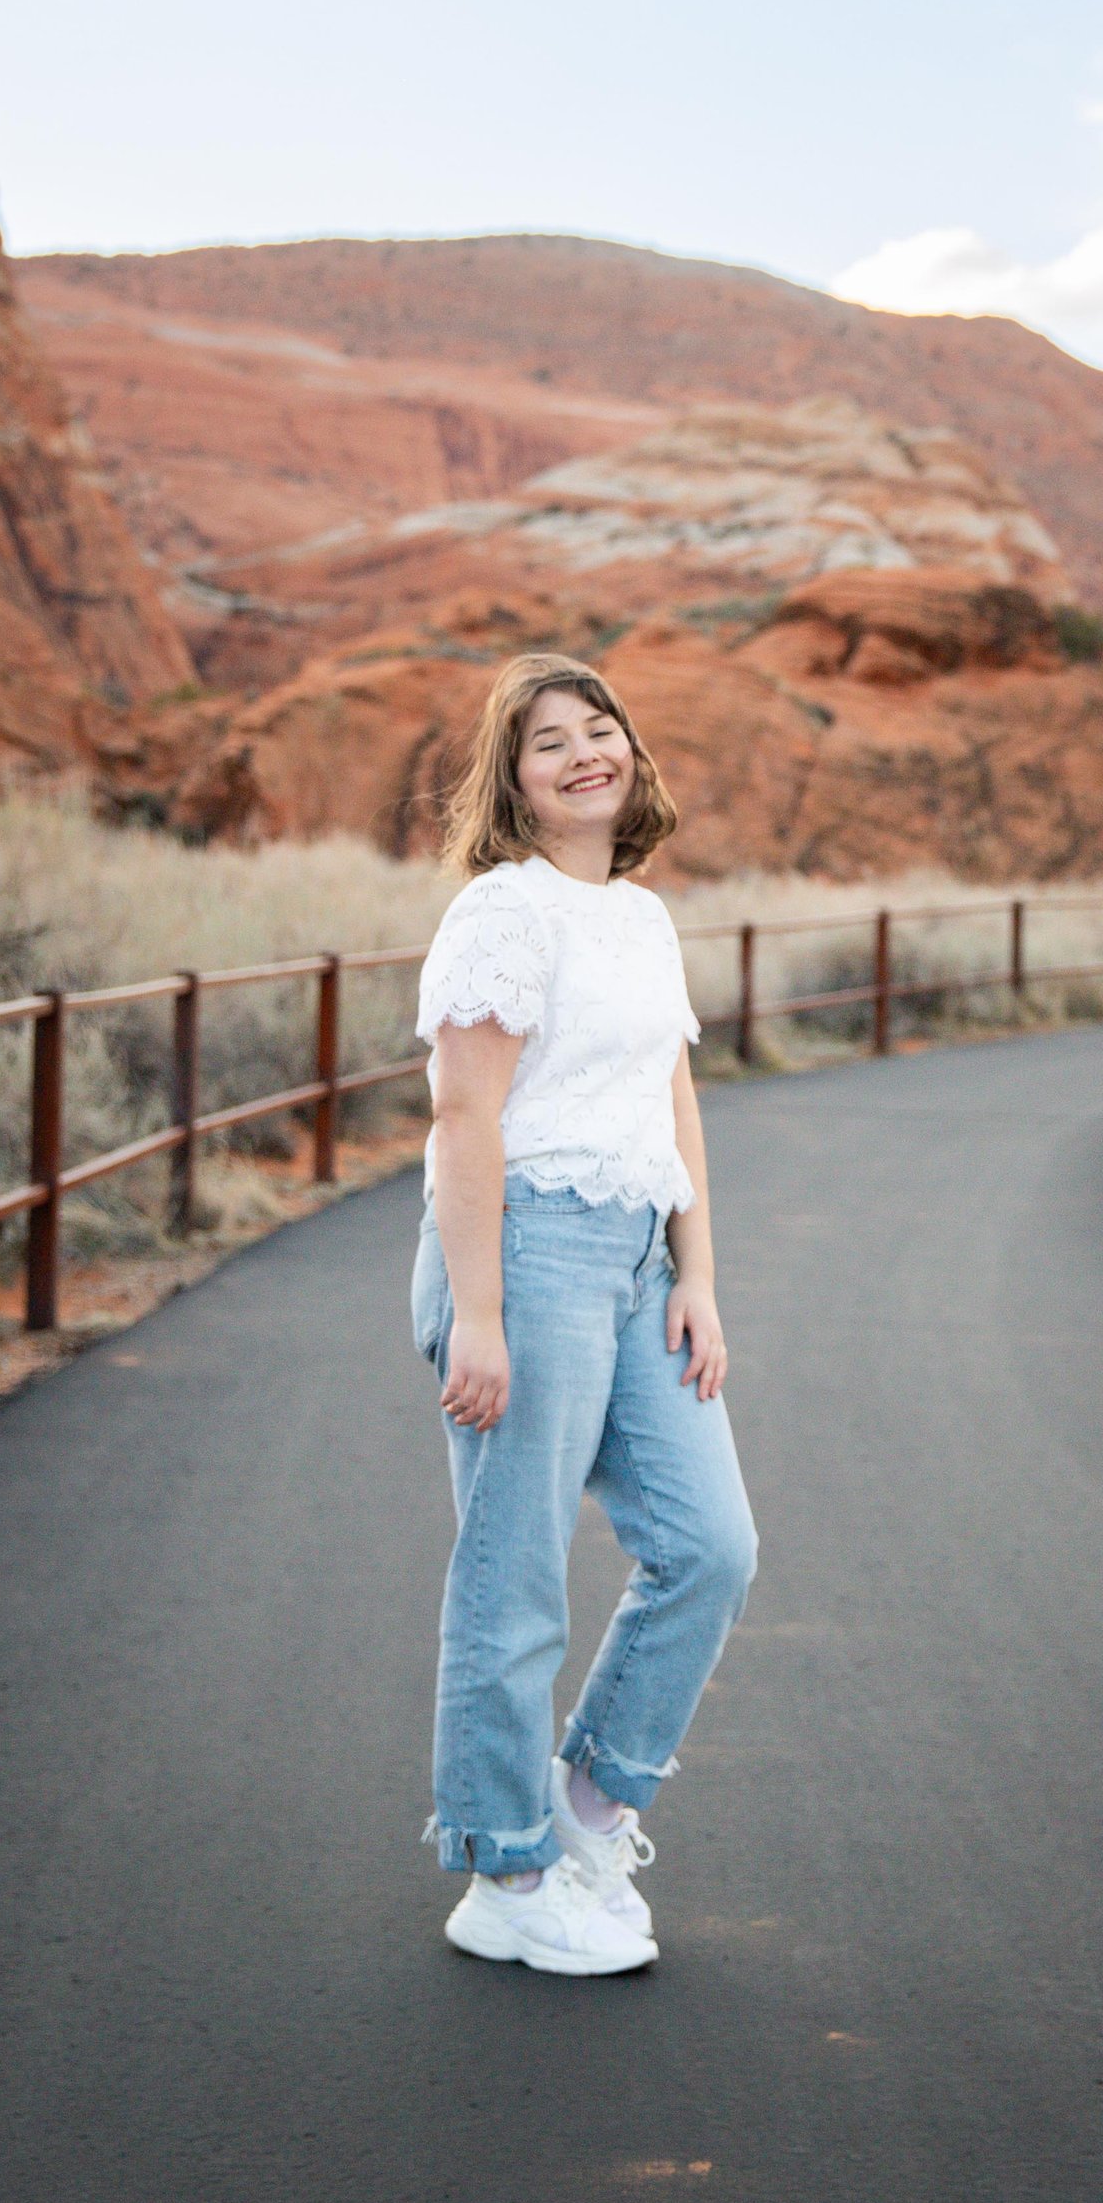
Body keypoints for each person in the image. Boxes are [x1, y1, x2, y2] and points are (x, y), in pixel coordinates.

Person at [409, 653, 757, 1976]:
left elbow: (672, 1106)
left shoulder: (641, 919)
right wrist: (480, 1311)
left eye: (597, 727)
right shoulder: (504, 912)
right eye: (546, 740)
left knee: (713, 1547)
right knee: (517, 1577)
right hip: (525, 1250)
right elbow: (464, 1115)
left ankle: (582, 1809)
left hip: (635, 1261)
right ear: (515, 780)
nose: (579, 752)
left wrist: (699, 1277)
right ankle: (501, 1874)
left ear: (631, 754)